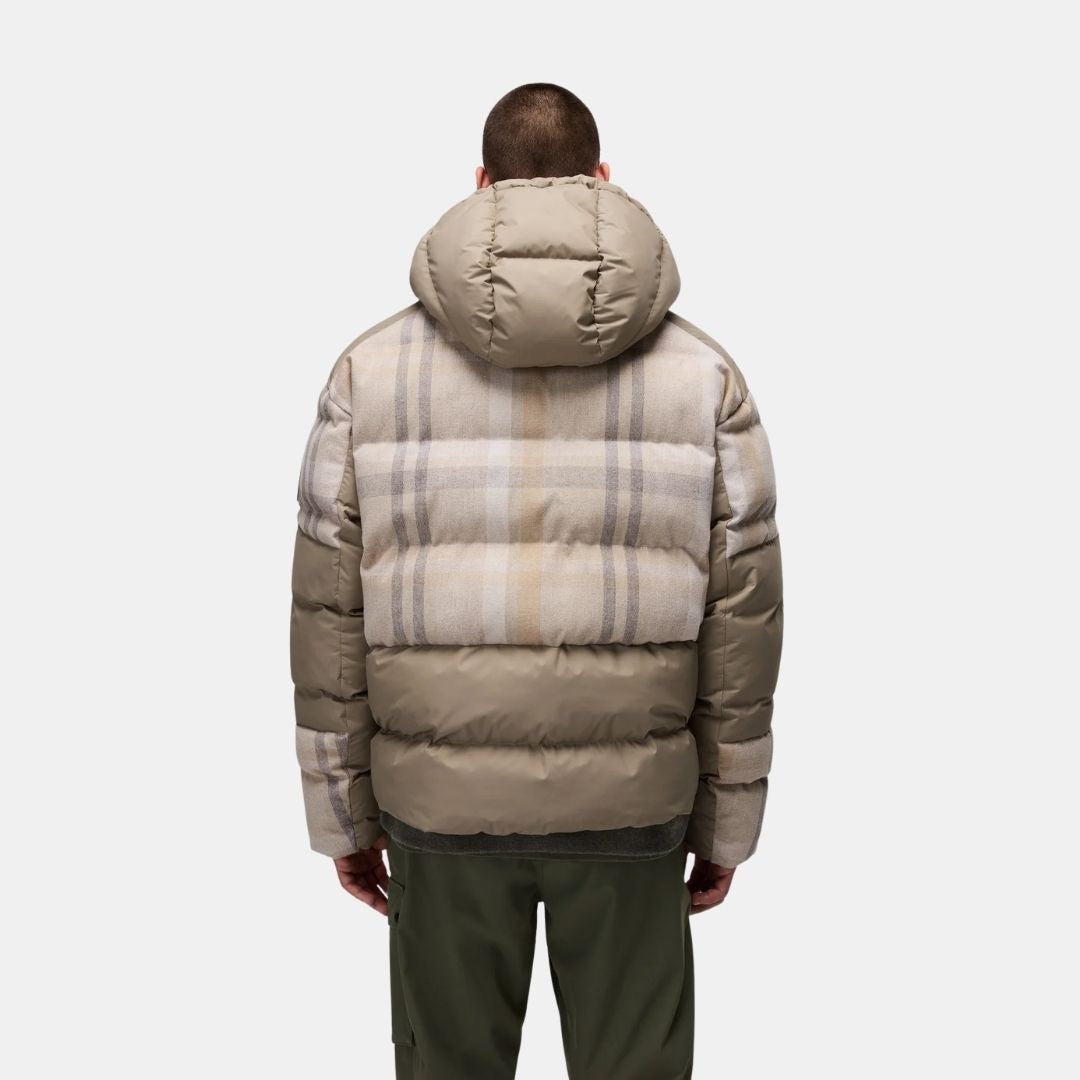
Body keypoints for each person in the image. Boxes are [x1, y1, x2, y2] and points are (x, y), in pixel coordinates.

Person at [290, 83, 783, 1080]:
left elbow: (328, 611)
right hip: (634, 806)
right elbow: (744, 620)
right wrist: (729, 819)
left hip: (438, 803)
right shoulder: (704, 378)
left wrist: (342, 810)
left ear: (482, 185)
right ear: (601, 181)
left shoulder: (368, 375)